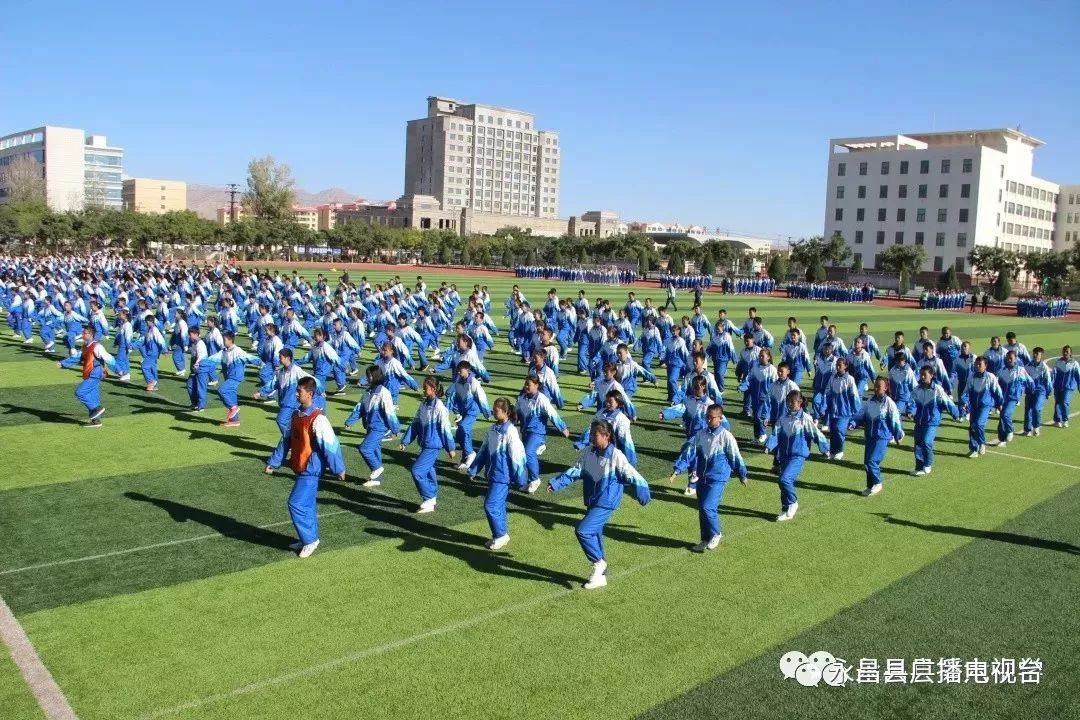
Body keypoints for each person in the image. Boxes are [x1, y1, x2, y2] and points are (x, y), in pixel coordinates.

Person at [548, 419, 652, 589]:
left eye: (595, 434)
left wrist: (643, 493)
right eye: (591, 434)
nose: (592, 437)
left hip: (606, 502)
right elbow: (576, 470)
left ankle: (598, 563)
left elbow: (633, 475)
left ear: (606, 436)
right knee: (595, 534)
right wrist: (556, 483)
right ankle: (601, 576)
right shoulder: (589, 452)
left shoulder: (616, 455)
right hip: (592, 499)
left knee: (583, 530)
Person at [277, 376, 346, 558]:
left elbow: (331, 444)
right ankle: (308, 538)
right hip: (300, 466)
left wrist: (338, 468)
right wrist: (274, 462)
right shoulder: (296, 415)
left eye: (299, 391)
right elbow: (285, 441)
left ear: (310, 394)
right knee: (306, 504)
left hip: (311, 468)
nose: (297, 394)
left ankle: (310, 540)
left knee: (296, 503)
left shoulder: (318, 419)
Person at [466, 397, 529, 550]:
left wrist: (521, 480)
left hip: (503, 476)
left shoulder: (511, 432)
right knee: (498, 506)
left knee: (491, 505)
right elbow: (483, 451)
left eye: (496, 410)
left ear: (506, 412)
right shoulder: (492, 430)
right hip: (493, 475)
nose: (493, 412)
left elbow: (517, 456)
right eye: (493, 410)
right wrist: (474, 469)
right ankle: (499, 535)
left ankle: (501, 535)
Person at [687, 404, 748, 552]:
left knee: (708, 507)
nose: (708, 420)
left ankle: (716, 533)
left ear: (720, 418)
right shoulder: (701, 434)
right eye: (707, 416)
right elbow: (689, 452)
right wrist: (678, 468)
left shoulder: (726, 436)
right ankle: (705, 538)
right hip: (702, 477)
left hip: (718, 478)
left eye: (711, 417)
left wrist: (742, 473)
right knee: (702, 509)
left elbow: (735, 456)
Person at [765, 391, 828, 522]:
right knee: (783, 482)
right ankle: (785, 508)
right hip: (784, 455)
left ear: (799, 402)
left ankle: (793, 502)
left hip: (798, 455)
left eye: (792, 402)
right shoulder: (783, 418)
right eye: (788, 401)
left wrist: (825, 449)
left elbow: (816, 434)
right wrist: (769, 445)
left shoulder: (804, 418)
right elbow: (775, 433)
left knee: (784, 479)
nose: (789, 404)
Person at [400, 376, 457, 513]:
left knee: (417, 471)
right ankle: (432, 498)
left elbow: (445, 429)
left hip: (433, 445)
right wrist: (405, 441)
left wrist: (450, 448)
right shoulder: (424, 404)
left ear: (433, 389)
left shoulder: (440, 408)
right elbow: (415, 424)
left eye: (425, 388)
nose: (423, 390)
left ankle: (429, 497)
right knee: (430, 471)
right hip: (425, 443)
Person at [344, 365, 401, 486]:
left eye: (369, 375)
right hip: (370, 426)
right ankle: (377, 479)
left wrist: (395, 428)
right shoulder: (368, 391)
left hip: (379, 427)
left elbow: (389, 412)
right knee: (375, 450)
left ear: (375, 376)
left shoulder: (384, 393)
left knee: (365, 448)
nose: (367, 378)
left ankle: (377, 467)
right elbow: (360, 408)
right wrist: (350, 421)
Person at [851, 377, 905, 495]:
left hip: (882, 437)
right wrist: (853, 423)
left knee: (872, 461)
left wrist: (898, 435)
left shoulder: (889, 403)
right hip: (870, 436)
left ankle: (878, 482)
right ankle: (870, 486)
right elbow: (862, 415)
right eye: (875, 386)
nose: (875, 388)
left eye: (878, 386)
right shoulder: (870, 401)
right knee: (867, 463)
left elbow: (895, 420)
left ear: (885, 388)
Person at [57, 326, 119, 427]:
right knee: (92, 396)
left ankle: (97, 408)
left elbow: (108, 358)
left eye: (85, 333)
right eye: (83, 333)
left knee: (80, 392)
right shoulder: (85, 346)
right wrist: (63, 363)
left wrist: (118, 369)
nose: (83, 335)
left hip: (95, 373)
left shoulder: (97, 346)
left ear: (91, 334)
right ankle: (96, 421)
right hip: (89, 373)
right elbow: (77, 358)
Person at [518, 376, 570, 490]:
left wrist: (562, 428)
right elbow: (518, 412)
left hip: (537, 432)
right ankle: (528, 480)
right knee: (524, 455)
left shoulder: (541, 399)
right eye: (525, 384)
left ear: (536, 386)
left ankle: (535, 479)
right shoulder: (522, 397)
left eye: (529, 384)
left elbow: (552, 414)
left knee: (528, 452)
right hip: (525, 431)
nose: (526, 386)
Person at [202, 331, 262, 426]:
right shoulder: (224, 351)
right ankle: (234, 421)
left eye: (224, 339)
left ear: (230, 340)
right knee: (232, 395)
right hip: (229, 377)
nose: (223, 341)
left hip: (235, 377)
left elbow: (249, 357)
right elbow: (213, 359)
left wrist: (260, 363)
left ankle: (233, 408)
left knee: (222, 390)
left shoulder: (237, 351)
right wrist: (201, 364)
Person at [910, 366, 960, 476]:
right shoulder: (917, 389)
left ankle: (927, 464)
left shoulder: (937, 389)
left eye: (925, 375)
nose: (922, 377)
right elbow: (911, 402)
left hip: (932, 421)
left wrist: (956, 414)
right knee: (918, 444)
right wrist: (910, 411)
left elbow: (947, 402)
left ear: (931, 376)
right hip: (919, 421)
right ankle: (919, 467)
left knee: (926, 441)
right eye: (921, 374)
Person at [447, 360, 491, 469]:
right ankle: (465, 459)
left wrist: (487, 413)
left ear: (467, 370)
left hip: (472, 411)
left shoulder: (474, 382)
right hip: (463, 412)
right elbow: (452, 397)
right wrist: (446, 411)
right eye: (457, 371)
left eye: (460, 371)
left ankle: (471, 453)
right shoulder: (458, 381)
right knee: (459, 435)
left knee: (463, 427)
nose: (458, 373)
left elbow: (482, 397)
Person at [962, 357, 1003, 458]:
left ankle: (981, 443)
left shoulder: (990, 377)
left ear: (985, 366)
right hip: (973, 406)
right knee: (972, 427)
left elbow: (997, 391)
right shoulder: (971, 377)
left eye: (980, 364)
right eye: (976, 364)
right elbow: (966, 391)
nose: (977, 366)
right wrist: (964, 402)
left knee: (979, 424)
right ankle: (973, 449)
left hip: (985, 405)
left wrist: (999, 403)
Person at [825, 357, 861, 460]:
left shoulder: (849, 379)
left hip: (844, 411)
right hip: (833, 411)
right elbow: (827, 391)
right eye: (836, 364)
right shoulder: (832, 378)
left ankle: (840, 451)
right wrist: (825, 405)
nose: (837, 366)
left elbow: (854, 395)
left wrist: (856, 411)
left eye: (840, 365)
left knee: (839, 430)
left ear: (845, 366)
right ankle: (832, 452)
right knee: (833, 432)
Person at [995, 350, 1032, 447]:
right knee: (1002, 417)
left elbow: (1029, 382)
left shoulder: (1020, 370)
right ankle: (1002, 439)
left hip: (1013, 397)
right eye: (1008, 358)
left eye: (1011, 358)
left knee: (1005, 414)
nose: (1009, 360)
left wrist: (1029, 391)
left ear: (1015, 359)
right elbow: (997, 385)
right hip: (1003, 397)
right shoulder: (1002, 371)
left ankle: (1010, 430)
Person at [1023, 347, 1052, 437]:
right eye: (1034, 353)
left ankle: (1036, 426)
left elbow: (1048, 380)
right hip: (1029, 391)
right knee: (1028, 410)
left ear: (1041, 355)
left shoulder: (1044, 367)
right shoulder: (1027, 366)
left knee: (1036, 408)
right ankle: (1027, 429)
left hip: (1040, 391)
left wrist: (1049, 392)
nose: (1035, 355)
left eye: (1038, 353)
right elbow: (1023, 379)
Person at [1052, 345, 1079, 428]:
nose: (1065, 353)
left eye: (1067, 351)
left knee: (1065, 402)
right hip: (1058, 386)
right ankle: (1057, 420)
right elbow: (1054, 374)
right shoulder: (1058, 362)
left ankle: (1065, 420)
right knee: (1058, 403)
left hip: (1068, 387)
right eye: (1064, 351)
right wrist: (1052, 384)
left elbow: (1078, 376)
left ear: (1070, 353)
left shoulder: (1074, 363)